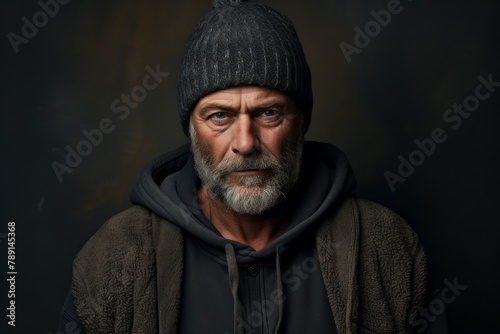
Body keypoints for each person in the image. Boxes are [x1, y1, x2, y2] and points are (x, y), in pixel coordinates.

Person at [58, 0, 428, 333]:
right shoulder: (115, 256)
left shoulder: (385, 245)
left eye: (268, 113)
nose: (246, 143)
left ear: (300, 121)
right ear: (192, 129)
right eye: (220, 116)